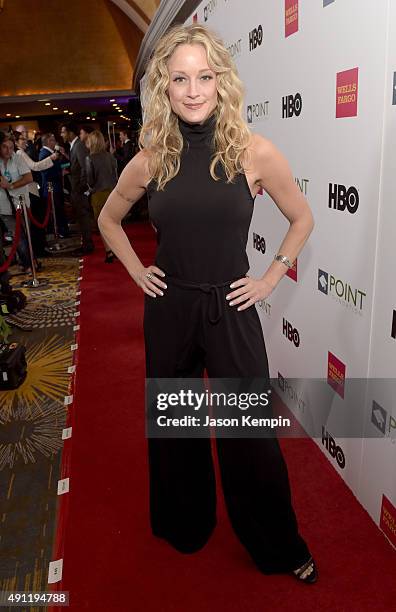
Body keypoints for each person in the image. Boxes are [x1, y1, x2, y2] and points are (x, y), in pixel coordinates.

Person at [98, 24, 317, 583]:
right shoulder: (152, 159)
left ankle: (278, 542)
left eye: (203, 76)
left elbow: (302, 218)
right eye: (179, 79)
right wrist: (135, 269)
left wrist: (270, 279)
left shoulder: (254, 151)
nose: (192, 90)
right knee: (175, 423)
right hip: (170, 307)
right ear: (163, 88)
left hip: (232, 305)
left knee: (250, 433)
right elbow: (109, 217)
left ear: (221, 81)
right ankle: (183, 522)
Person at [15, 131, 58, 256]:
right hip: (28, 190)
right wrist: (51, 158)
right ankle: (39, 249)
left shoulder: (20, 153)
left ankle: (40, 247)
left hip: (31, 188)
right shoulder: (19, 153)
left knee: (38, 220)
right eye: (22, 139)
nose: (26, 141)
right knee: (36, 221)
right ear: (16, 142)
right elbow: (34, 166)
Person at [0, 131, 36, 272]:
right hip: (3, 206)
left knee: (22, 235)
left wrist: (10, 186)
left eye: (10, 147)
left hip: (21, 203)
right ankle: (26, 262)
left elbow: (29, 178)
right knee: (16, 236)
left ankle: (27, 262)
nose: (8, 150)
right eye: (4, 147)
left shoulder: (17, 158)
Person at [60, 122, 94, 254]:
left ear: (70, 133)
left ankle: (87, 246)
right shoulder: (74, 146)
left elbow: (86, 168)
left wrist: (80, 187)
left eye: (63, 132)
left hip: (79, 189)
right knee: (81, 218)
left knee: (83, 218)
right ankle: (86, 244)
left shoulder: (78, 146)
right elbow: (78, 166)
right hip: (76, 188)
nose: (61, 134)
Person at [85, 130, 117, 262]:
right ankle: (117, 249)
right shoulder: (110, 156)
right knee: (114, 223)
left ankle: (109, 251)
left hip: (98, 194)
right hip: (113, 193)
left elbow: (90, 180)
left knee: (103, 224)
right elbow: (116, 174)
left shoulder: (89, 158)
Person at [39, 133, 70, 239]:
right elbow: (45, 173)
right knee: (57, 210)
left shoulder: (51, 152)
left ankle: (64, 230)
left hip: (56, 186)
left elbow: (59, 165)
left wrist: (65, 166)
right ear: (48, 142)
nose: (55, 142)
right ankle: (60, 231)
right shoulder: (44, 153)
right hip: (51, 187)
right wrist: (60, 173)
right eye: (53, 140)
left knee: (60, 209)